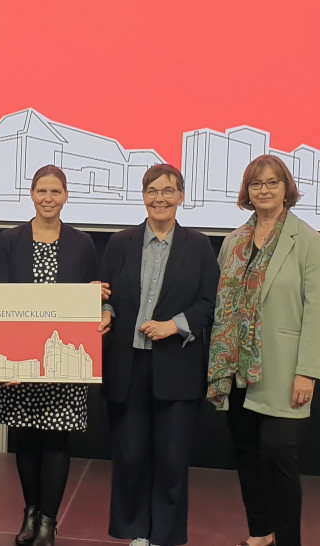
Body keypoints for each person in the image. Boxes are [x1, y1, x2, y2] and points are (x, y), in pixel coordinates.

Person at [99, 164, 219, 546]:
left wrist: (175, 325)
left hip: (177, 365)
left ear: (181, 196)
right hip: (128, 365)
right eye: (152, 190)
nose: (160, 199)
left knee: (170, 459)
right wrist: (106, 312)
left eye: (168, 191)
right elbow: (108, 297)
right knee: (131, 455)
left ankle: (165, 536)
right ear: (143, 195)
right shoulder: (120, 242)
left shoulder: (199, 246)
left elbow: (209, 303)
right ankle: (135, 532)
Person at [207, 155, 320, 546]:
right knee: (247, 454)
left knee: (280, 458)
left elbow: (317, 309)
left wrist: (308, 370)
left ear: (287, 188)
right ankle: (261, 532)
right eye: (256, 184)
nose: (265, 190)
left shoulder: (307, 240)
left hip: (284, 369)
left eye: (273, 183)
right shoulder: (233, 241)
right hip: (236, 367)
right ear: (247, 192)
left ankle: (289, 540)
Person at [0, 165, 98, 546]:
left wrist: (100, 301)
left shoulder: (82, 243)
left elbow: (91, 297)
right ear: (32, 194)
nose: (48, 198)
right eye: (41, 191)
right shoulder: (9, 240)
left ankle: (49, 523)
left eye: (55, 192)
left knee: (56, 440)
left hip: (62, 356)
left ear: (66, 195)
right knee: (26, 439)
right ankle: (30, 513)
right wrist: (11, 356)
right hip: (18, 358)